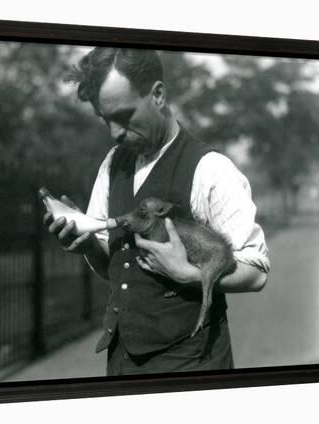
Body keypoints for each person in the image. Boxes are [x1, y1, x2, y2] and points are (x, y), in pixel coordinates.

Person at [44, 47, 270, 376]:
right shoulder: (113, 165)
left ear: (158, 95)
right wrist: (87, 244)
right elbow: (116, 267)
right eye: (105, 119)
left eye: (123, 116)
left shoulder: (210, 169)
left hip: (191, 364)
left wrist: (190, 275)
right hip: (122, 362)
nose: (114, 133)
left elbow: (257, 271)